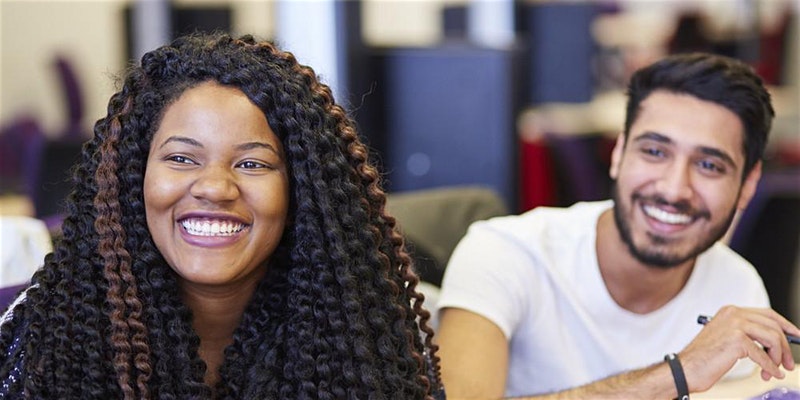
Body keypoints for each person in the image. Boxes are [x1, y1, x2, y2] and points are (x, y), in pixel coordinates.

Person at [0, 32, 443, 399]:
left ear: (299, 193)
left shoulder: (371, 338)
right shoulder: (38, 343)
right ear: (133, 180)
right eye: (181, 158)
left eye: (252, 164)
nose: (214, 187)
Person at [435, 52, 800, 399]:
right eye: (654, 152)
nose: (674, 189)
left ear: (747, 185)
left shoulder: (736, 287)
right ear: (619, 153)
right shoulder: (504, 253)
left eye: (709, 165)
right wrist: (679, 373)